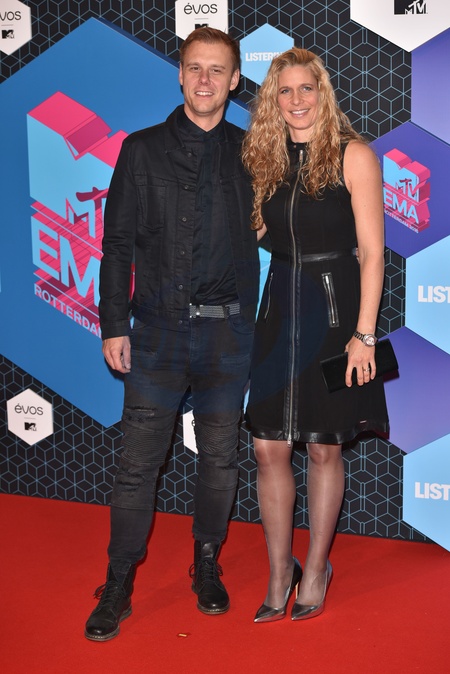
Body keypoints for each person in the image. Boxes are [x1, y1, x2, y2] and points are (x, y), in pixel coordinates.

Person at [84, 27, 259, 641]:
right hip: (155, 333)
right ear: (180, 75)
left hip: (228, 335)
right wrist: (113, 324)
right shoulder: (140, 150)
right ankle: (119, 580)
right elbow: (116, 245)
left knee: (220, 459)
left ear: (234, 81)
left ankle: (206, 562)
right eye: (195, 68)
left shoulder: (253, 152)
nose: (205, 80)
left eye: (218, 70)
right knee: (137, 465)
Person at [241, 47, 389, 622]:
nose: (297, 100)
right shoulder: (265, 157)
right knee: (268, 446)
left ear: (322, 93)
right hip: (279, 310)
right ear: (272, 100)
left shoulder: (355, 155)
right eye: (285, 90)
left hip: (335, 312)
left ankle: (319, 565)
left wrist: (364, 335)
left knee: (325, 446)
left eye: (307, 88)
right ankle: (281, 570)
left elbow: (372, 253)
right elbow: (254, 232)